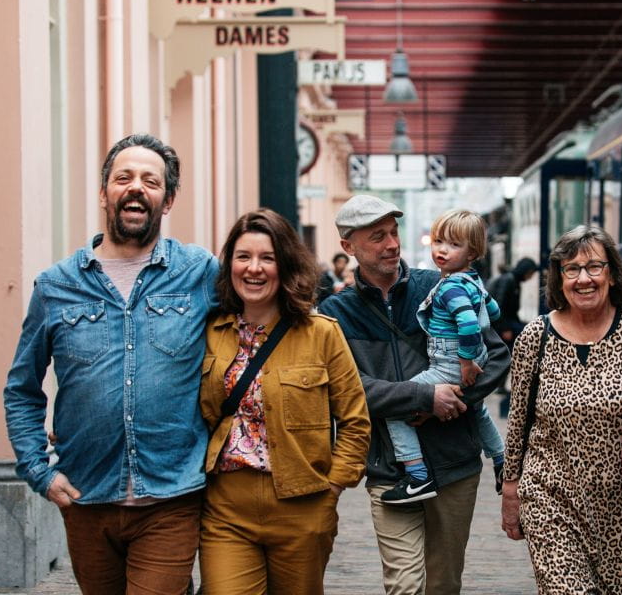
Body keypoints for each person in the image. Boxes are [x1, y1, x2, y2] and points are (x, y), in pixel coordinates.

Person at [3, 134, 220, 593]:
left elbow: (253, 334)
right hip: (86, 497)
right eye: (124, 178)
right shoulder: (55, 285)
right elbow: (22, 387)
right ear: (105, 193)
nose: (136, 187)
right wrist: (38, 470)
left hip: (172, 496)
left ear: (169, 198)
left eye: (150, 180)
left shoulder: (199, 272)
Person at [318, 194, 510, 595]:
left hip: (454, 463)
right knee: (404, 586)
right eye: (377, 237)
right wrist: (423, 399)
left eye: (393, 232)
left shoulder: (438, 286)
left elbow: (493, 356)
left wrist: (454, 398)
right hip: (391, 470)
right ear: (348, 247)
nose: (392, 244)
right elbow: (348, 389)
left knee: (443, 583)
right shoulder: (335, 313)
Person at [198, 209, 370, 594]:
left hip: (303, 506)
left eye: (267, 258)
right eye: (243, 257)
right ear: (230, 266)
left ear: (286, 265)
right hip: (227, 508)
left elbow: (356, 421)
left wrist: (332, 490)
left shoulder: (321, 334)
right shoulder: (210, 332)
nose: (253, 269)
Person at [500, 225, 622, 593]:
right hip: (552, 498)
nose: (583, 278)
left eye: (594, 266)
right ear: (558, 278)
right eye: (571, 269)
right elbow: (519, 420)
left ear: (612, 273)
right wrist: (511, 489)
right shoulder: (535, 337)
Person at [381, 210, 506, 505]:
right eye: (438, 241)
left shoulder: (450, 286)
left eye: (453, 244)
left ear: (472, 251)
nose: (441, 250)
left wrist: (464, 360)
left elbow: (469, 324)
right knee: (477, 410)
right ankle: (502, 460)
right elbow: (495, 313)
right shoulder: (474, 282)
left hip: (449, 363)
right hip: (475, 356)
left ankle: (417, 476)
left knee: (397, 407)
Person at [487, 257, 538, 350]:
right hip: (498, 323)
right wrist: (505, 329)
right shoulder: (508, 280)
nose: (531, 277)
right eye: (531, 274)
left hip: (506, 320)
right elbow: (499, 305)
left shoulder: (515, 281)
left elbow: (513, 310)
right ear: (526, 271)